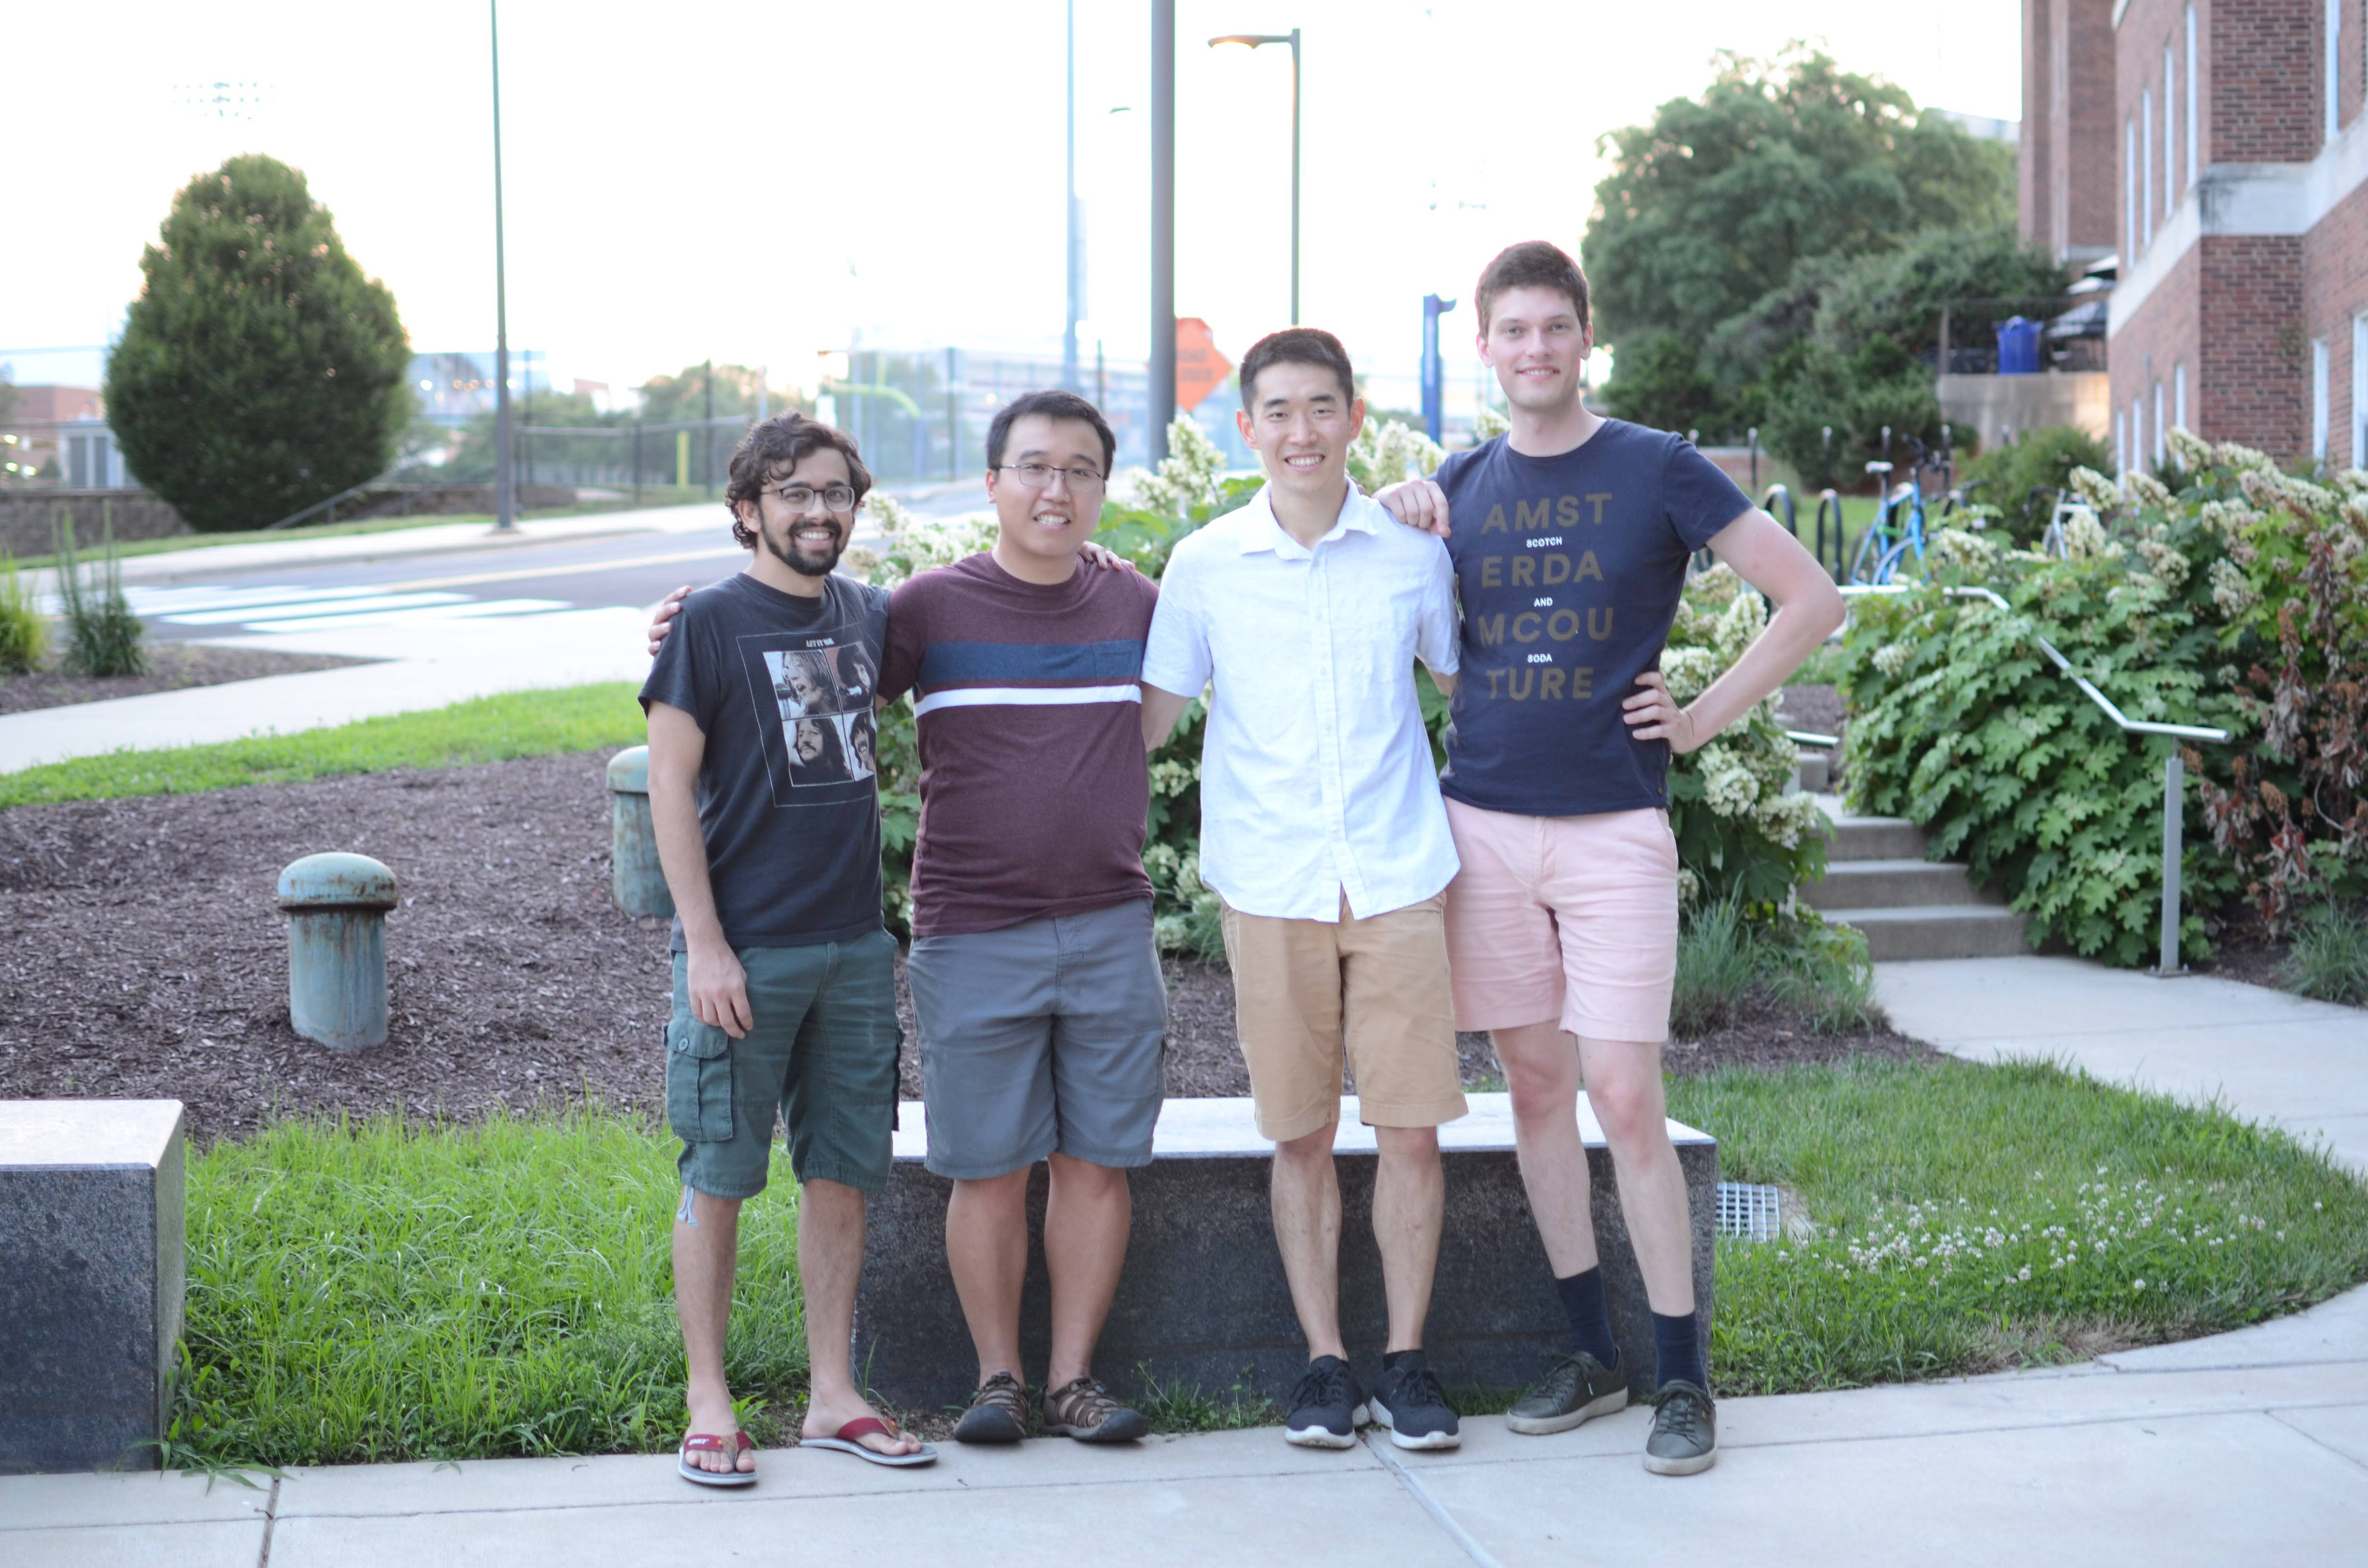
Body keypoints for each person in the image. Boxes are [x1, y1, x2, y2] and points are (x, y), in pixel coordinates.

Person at [1379, 241, 1846, 1476]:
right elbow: (1426, 647)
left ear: (1585, 338)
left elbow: (1809, 600)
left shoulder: (1655, 468)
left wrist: (1698, 719)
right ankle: (1588, 1353)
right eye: (1511, 330)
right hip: (1481, 827)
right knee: (1534, 1092)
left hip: (1613, 829)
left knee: (1626, 1098)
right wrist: (1394, 511)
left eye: (1553, 328)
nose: (1533, 349)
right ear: (1482, 346)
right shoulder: (1454, 485)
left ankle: (1683, 1376)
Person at [1140, 328, 1468, 1452]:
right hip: (1270, 881)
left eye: (1320, 409)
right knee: (1300, 1136)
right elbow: (1144, 721)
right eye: (1276, 411)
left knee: (1413, 1131)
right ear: (1246, 429)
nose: (1299, 432)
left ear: (1354, 419)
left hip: (1396, 876)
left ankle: (1410, 1362)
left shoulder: (1412, 554)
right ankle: (1326, 1362)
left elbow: (1476, 687)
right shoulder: (1204, 563)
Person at [870, 388, 1165, 1446]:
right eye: (1034, 467)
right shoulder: (926, 610)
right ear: (992, 483)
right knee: (986, 1164)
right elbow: (810, 670)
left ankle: (1073, 1381)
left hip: (1108, 924)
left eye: (1080, 469)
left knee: (1096, 1161)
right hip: (969, 929)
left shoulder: (1137, 601)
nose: (1057, 488)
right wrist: (692, 623)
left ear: (1101, 487)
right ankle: (997, 1380)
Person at [640, 412, 932, 1482]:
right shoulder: (707, 623)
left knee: (843, 1173)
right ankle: (707, 1398)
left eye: (835, 494)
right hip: (744, 950)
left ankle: (831, 1394)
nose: (818, 512)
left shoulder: (864, 613)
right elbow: (668, 784)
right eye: (794, 493)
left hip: (854, 945)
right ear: (747, 511)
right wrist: (705, 945)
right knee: (719, 1170)